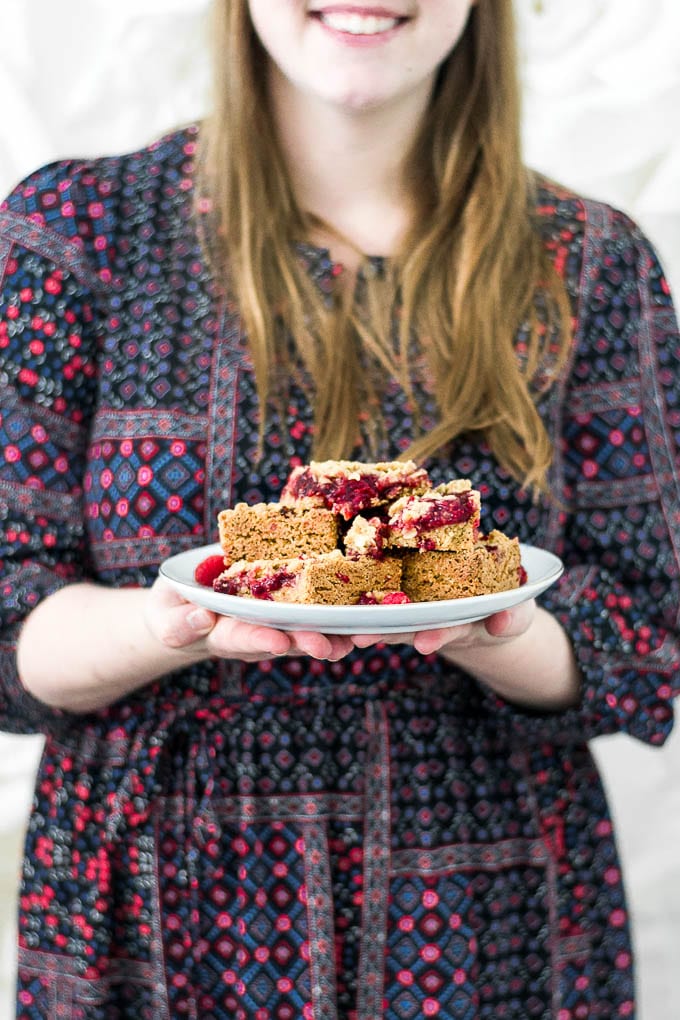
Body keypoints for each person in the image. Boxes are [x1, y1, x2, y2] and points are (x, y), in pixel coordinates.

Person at [0, 0, 678, 1016]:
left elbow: (645, 639)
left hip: (482, 928)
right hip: (152, 918)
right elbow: (12, 620)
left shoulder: (589, 260)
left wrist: (495, 627)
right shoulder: (76, 232)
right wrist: (166, 622)